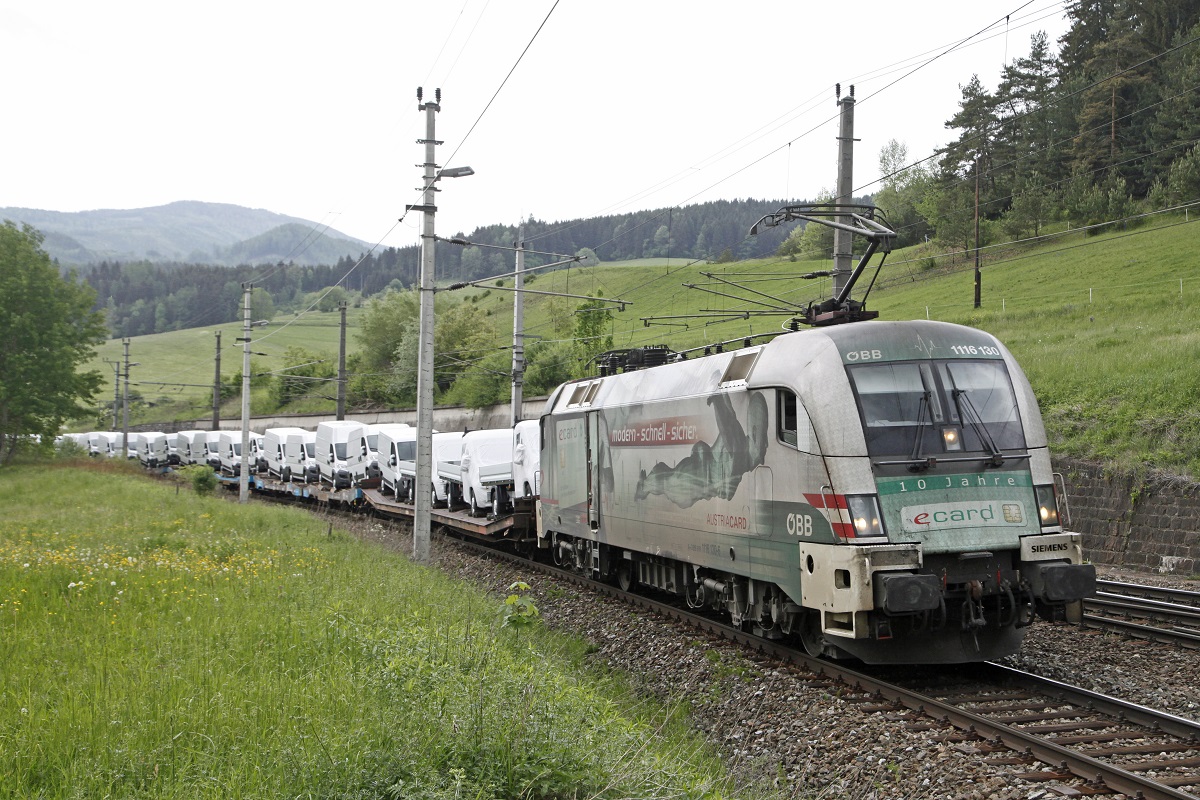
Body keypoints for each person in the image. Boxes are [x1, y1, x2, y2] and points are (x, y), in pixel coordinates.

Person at [634, 391, 768, 509]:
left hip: (688, 483)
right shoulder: (739, 457)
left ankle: (644, 487)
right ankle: (644, 487)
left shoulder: (735, 451)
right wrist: (722, 393)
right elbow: (729, 419)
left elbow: (726, 424)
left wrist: (717, 399)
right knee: (664, 476)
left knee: (664, 477)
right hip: (689, 489)